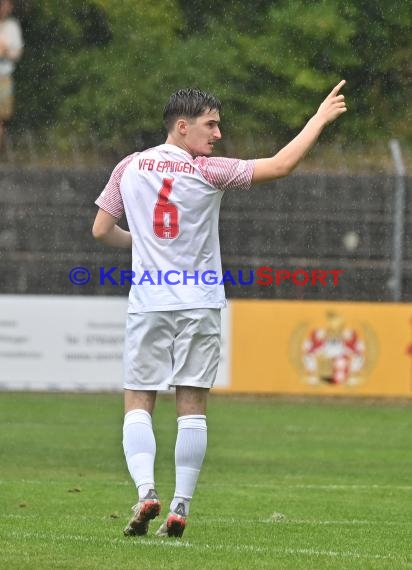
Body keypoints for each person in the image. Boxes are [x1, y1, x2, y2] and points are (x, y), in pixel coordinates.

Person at [92, 81, 347, 538]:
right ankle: (180, 506)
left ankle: (146, 491)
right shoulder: (208, 170)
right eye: (211, 125)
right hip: (199, 302)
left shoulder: (128, 167)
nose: (217, 134)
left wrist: (145, 245)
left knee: (138, 401)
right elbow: (281, 165)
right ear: (182, 126)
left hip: (149, 300)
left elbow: (100, 229)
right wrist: (319, 119)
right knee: (192, 405)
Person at [0, 0, 23, 149]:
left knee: (2, 118)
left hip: (3, 77)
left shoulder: (12, 26)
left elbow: (16, 53)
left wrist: (5, 50)